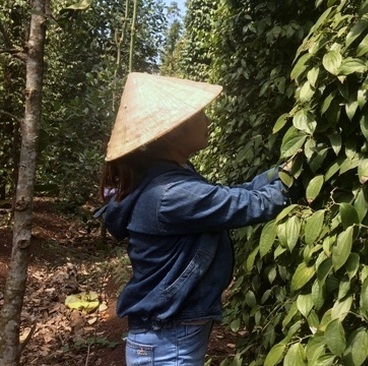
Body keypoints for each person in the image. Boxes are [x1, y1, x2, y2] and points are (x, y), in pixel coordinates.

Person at [99, 72, 297, 365]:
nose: (208, 121)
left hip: (170, 336)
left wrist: (280, 171)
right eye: (201, 115)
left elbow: (231, 194)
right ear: (173, 130)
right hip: (168, 342)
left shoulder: (170, 179)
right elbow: (248, 204)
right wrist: (296, 177)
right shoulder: (169, 194)